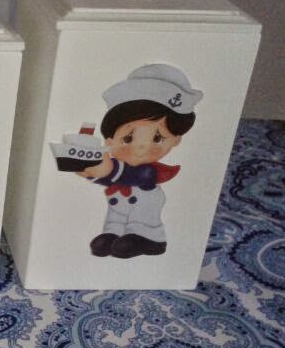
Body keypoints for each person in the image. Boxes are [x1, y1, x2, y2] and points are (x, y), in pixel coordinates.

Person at [78, 64, 202, 258]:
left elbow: (133, 175)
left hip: (144, 216)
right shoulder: (116, 165)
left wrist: (107, 169)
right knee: (116, 216)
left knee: (139, 217)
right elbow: (106, 176)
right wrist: (90, 172)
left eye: (157, 138)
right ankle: (112, 233)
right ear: (109, 140)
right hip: (119, 205)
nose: (142, 147)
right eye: (128, 138)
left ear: (176, 140)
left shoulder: (147, 171)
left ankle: (147, 239)